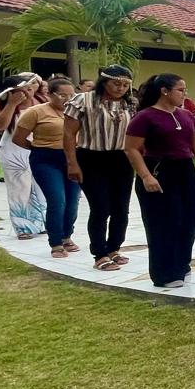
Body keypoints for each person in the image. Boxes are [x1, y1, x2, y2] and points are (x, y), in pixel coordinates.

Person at [125, 74, 195, 288]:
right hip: (159, 168)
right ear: (164, 91)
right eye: (180, 90)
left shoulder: (186, 115)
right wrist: (146, 176)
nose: (184, 94)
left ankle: (181, 263)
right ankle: (164, 272)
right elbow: (131, 149)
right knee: (165, 222)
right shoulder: (145, 117)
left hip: (184, 169)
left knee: (191, 217)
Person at [63, 65, 135, 271]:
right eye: (116, 83)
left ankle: (114, 247)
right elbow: (68, 134)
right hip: (91, 157)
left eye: (125, 85)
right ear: (104, 82)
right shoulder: (82, 100)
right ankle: (99, 253)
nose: (120, 88)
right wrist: (72, 163)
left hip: (121, 158)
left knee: (121, 208)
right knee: (100, 207)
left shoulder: (130, 104)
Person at [13, 77, 78, 258]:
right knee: (57, 200)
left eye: (71, 95)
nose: (67, 99)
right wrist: (37, 148)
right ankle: (56, 243)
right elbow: (18, 138)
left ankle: (67, 236)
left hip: (73, 158)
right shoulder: (35, 112)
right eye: (62, 95)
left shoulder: (77, 112)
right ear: (49, 94)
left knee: (73, 202)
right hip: (46, 159)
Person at [0, 74, 48, 239]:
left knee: (42, 187)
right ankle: (23, 227)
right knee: (19, 189)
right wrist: (12, 104)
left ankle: (40, 223)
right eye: (24, 87)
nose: (29, 90)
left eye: (32, 85)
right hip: (15, 151)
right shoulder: (3, 103)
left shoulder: (42, 101)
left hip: (40, 148)